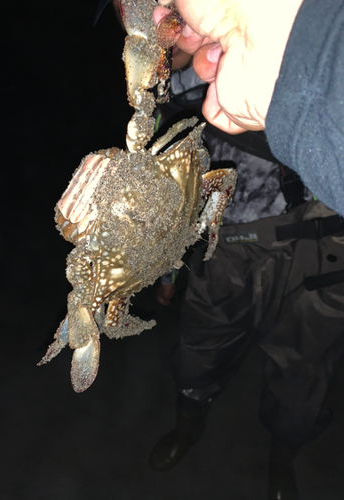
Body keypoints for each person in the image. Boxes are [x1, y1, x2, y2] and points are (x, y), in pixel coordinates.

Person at [148, 48, 344, 500]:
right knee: (201, 346)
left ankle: (282, 464)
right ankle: (187, 426)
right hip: (230, 240)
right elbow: (168, 176)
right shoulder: (200, 64)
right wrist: (167, 269)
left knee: (304, 371)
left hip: (328, 251)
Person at [154, 0, 344, 218]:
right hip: (230, 247)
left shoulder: (254, 35)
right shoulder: (158, 118)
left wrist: (300, 50)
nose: (158, 16)